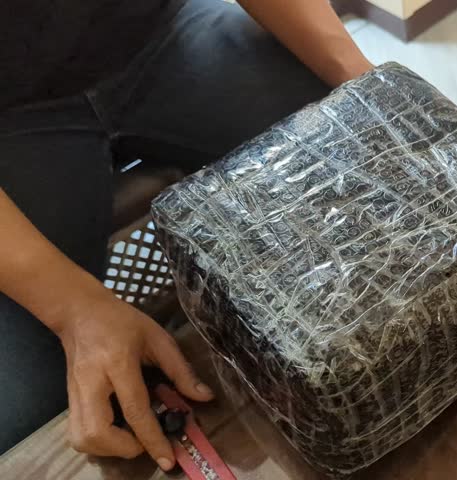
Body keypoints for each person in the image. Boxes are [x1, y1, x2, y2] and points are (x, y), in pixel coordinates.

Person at [0, 0, 373, 470]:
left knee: (365, 174)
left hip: (160, 33)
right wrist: (74, 310)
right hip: (12, 118)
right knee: (19, 414)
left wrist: (366, 87)